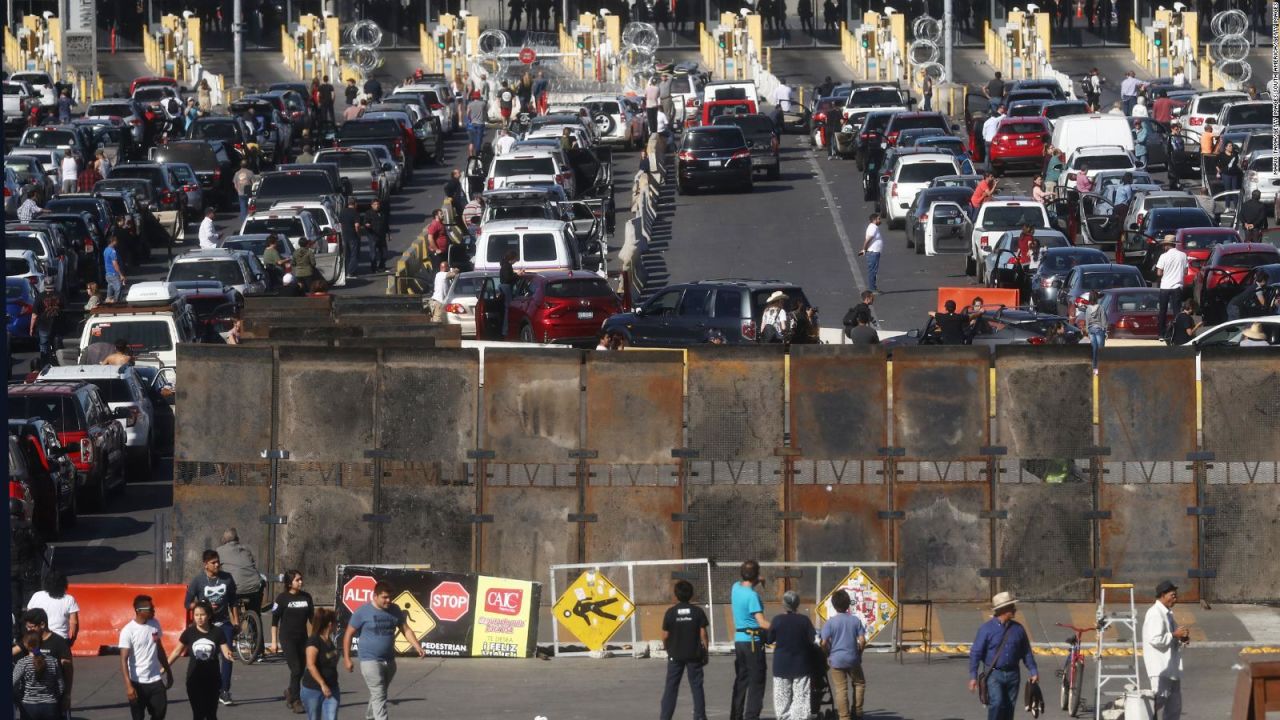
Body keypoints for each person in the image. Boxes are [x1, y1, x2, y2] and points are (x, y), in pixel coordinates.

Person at [342, 582, 427, 720]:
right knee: (379, 694)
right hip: (369, 660)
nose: (389, 600)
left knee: (379, 694)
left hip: (389, 660)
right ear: (375, 596)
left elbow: (405, 629)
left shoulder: (395, 609)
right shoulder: (362, 612)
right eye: (385, 597)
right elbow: (348, 634)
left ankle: (370, 717)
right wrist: (347, 658)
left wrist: (417, 646)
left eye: (390, 597)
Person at [968, 591, 1038, 720]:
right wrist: (973, 676)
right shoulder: (986, 629)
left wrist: (1033, 670)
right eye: (1012, 607)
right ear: (1003, 610)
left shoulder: (1019, 629)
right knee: (997, 703)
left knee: (1009, 707)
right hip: (994, 674)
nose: (1015, 610)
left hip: (1013, 674)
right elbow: (976, 653)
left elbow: (1026, 652)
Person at [185, 549, 239, 706]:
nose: (217, 565)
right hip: (205, 626)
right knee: (206, 658)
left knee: (228, 657)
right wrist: (202, 605)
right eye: (213, 563)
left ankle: (224, 691)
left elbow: (233, 601)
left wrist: (236, 622)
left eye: (218, 562)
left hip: (224, 623)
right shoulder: (198, 581)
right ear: (205, 565)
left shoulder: (227, 578)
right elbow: (187, 603)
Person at [166, 600, 232, 720]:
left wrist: (229, 655)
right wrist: (165, 667)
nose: (199, 618)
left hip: (213, 679)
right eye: (196, 615)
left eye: (202, 614)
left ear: (209, 615)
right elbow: (176, 651)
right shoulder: (189, 633)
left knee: (211, 715)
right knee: (198, 714)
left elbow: (225, 650)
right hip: (194, 679)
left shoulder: (217, 632)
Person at [658, 580, 709, 720]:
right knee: (697, 687)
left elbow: (665, 635)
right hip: (694, 654)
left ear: (676, 595)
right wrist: (706, 651)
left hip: (675, 655)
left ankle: (665, 717)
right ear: (691, 594)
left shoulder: (670, 613)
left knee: (671, 688)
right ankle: (700, 717)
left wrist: (667, 648)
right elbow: (703, 634)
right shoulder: (698, 612)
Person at [119, 594, 173, 720]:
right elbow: (123, 659)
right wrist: (129, 686)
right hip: (137, 683)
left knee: (159, 714)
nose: (154, 611)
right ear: (139, 611)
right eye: (150, 609)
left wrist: (168, 671)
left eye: (153, 608)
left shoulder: (155, 624)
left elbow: (159, 648)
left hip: (155, 680)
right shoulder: (128, 631)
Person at [729, 560, 770, 720]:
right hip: (752, 641)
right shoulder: (753, 596)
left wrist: (758, 580)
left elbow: (745, 581)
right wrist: (779, 626)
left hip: (739, 639)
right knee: (757, 681)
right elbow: (762, 622)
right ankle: (752, 716)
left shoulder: (735, 588)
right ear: (757, 574)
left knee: (741, 678)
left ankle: (736, 715)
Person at [270, 569, 314, 714]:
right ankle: (296, 701)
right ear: (289, 583)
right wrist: (274, 642)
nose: (301, 582)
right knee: (295, 669)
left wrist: (318, 637)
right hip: (287, 638)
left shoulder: (307, 597)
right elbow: (274, 622)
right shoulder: (282, 599)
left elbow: (313, 620)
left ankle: (290, 691)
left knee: (301, 669)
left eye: (301, 579)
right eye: (297, 580)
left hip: (302, 638)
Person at [1142, 580, 1188, 720]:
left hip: (1171, 668)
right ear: (1162, 595)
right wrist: (1175, 635)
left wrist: (1181, 638)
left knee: (1174, 706)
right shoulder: (1155, 614)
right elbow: (1155, 639)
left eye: (1176, 595)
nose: (1175, 598)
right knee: (1157, 702)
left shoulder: (1167, 613)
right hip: (1160, 668)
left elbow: (1174, 634)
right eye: (1172, 595)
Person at [768, 590, 816, 720]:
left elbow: (769, 639)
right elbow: (812, 639)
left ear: (784, 604)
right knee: (801, 698)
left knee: (782, 699)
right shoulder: (804, 620)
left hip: (781, 665)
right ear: (798, 604)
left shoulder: (777, 620)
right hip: (801, 664)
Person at [821, 589, 868, 720]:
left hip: (836, 659)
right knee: (859, 683)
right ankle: (857, 711)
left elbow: (823, 642)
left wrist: (828, 654)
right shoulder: (855, 620)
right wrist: (859, 653)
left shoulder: (830, 623)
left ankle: (844, 716)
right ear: (848, 604)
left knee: (841, 689)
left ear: (834, 605)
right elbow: (862, 640)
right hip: (853, 658)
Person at [215, 528, 262, 657]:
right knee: (256, 613)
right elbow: (252, 563)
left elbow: (217, 569)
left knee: (228, 604)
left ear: (224, 540)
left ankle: (233, 629)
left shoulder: (219, 551)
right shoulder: (246, 549)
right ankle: (259, 651)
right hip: (254, 585)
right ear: (237, 539)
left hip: (237, 588)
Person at [13, 630, 65, 720]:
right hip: (50, 706)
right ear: (41, 643)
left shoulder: (22, 663)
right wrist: (54, 697)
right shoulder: (53, 661)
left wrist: (20, 698)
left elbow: (13, 682)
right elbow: (61, 686)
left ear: (25, 645)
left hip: (28, 706)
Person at [301, 608, 340, 720]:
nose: (337, 625)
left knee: (331, 717)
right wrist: (322, 684)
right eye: (336, 622)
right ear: (330, 624)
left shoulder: (330, 641)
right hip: (313, 688)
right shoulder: (313, 641)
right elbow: (310, 665)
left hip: (332, 687)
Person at [26, 571, 79, 647]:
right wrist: (73, 639)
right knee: (65, 659)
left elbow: (29, 617)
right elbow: (74, 623)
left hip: (40, 638)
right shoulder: (69, 599)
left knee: (38, 658)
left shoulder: (37, 595)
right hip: (61, 639)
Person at [1153, 234, 1188, 339]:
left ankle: (1161, 334)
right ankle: (1178, 332)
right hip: (1177, 286)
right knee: (1177, 311)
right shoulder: (1183, 255)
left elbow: (1159, 273)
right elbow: (1185, 271)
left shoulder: (1163, 256)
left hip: (1165, 286)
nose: (1164, 247)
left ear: (1167, 245)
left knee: (1162, 311)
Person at [1082, 291, 1107, 374]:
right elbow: (1104, 320)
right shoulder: (1100, 308)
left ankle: (1094, 367)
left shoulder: (1088, 309)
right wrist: (1105, 331)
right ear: (1097, 299)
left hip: (1091, 330)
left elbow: (1087, 320)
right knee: (1101, 349)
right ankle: (1101, 366)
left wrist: (1088, 331)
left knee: (1094, 349)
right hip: (1099, 329)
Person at [858, 213, 885, 292]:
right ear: (874, 220)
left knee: (873, 270)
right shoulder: (873, 227)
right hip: (873, 252)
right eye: (879, 219)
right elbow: (868, 240)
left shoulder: (874, 227)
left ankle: (873, 287)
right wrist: (864, 249)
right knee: (872, 271)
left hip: (874, 252)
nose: (880, 220)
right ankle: (872, 289)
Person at [364, 198, 389, 273]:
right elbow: (365, 222)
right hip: (373, 235)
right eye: (375, 204)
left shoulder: (382, 212)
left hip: (381, 236)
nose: (377, 206)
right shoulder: (368, 213)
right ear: (372, 205)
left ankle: (381, 266)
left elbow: (385, 224)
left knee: (384, 253)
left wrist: (388, 233)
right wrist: (367, 225)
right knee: (373, 254)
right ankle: (374, 268)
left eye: (378, 204)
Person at [499, 249, 519, 338]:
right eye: (515, 259)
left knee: (506, 310)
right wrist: (517, 275)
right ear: (512, 258)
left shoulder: (504, 265)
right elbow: (508, 278)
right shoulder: (507, 266)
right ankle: (506, 330)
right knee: (508, 310)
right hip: (507, 288)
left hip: (504, 287)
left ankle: (505, 330)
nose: (516, 261)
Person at [339, 198, 361, 279]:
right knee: (354, 254)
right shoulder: (355, 212)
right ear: (355, 204)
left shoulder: (342, 211)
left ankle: (345, 271)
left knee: (347, 254)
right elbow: (357, 225)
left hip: (345, 236)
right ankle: (350, 272)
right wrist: (358, 234)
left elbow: (340, 224)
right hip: (353, 236)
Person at [104, 234, 127, 302]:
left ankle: (108, 302)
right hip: (114, 273)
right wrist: (121, 275)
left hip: (108, 274)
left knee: (110, 289)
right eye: (116, 241)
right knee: (118, 288)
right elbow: (115, 264)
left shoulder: (106, 250)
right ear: (112, 241)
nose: (117, 242)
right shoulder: (112, 251)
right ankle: (117, 303)